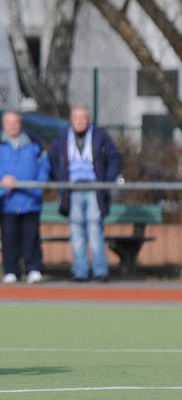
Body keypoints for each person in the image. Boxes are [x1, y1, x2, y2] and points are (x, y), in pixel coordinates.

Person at [49, 105, 121, 282]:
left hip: (94, 191)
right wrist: (60, 182)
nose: (80, 121)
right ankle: (80, 272)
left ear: (89, 119)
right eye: (76, 118)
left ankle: (100, 271)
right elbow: (54, 160)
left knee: (95, 231)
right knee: (76, 233)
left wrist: (107, 181)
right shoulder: (63, 136)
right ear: (71, 120)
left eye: (83, 118)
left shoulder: (100, 135)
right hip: (72, 191)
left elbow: (114, 158)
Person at [0, 110, 50, 284]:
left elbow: (44, 165)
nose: (12, 126)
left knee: (31, 237)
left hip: (30, 200)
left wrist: (38, 184)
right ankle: (11, 270)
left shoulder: (33, 142)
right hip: (7, 201)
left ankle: (33, 269)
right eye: (9, 122)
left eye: (15, 122)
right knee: (8, 237)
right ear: (3, 124)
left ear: (20, 123)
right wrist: (1, 177)